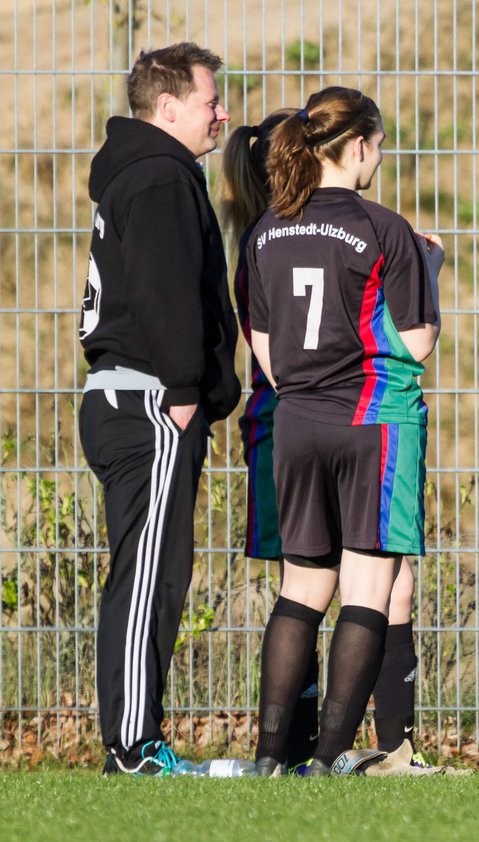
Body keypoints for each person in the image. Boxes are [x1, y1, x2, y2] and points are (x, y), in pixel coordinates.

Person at [221, 110, 436, 775]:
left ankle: (267, 759)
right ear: (360, 145)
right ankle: (326, 759)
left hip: (295, 423)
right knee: (368, 589)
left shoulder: (265, 230)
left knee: (302, 589)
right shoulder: (383, 228)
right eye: (378, 146)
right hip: (370, 422)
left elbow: (264, 350)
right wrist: (430, 268)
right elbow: (419, 342)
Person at [77, 42, 240, 776]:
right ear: (168, 107)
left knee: (151, 574)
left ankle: (136, 740)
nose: (222, 112)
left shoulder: (142, 176)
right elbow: (165, 291)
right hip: (150, 400)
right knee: (149, 578)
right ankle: (134, 747)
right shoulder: (162, 178)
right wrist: (183, 390)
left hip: (132, 396)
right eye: (212, 101)